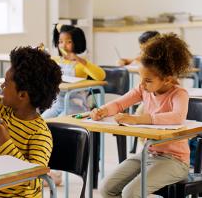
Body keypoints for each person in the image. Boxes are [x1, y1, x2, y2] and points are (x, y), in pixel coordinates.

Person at [0, 24, 62, 198]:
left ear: (22, 95)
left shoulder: (40, 134)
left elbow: (33, 179)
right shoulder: (3, 108)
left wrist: (6, 142)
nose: (1, 86)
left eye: (6, 83)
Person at [90, 33, 192, 198]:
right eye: (141, 79)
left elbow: (177, 117)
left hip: (175, 161)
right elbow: (119, 104)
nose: (142, 84)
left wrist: (137, 119)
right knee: (106, 189)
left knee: (131, 193)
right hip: (149, 154)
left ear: (167, 79)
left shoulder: (179, 94)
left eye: (148, 80)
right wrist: (103, 110)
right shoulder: (143, 89)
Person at [41, 24, 106, 119]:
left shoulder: (80, 64)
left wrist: (80, 60)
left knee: (59, 122)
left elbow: (101, 76)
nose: (63, 45)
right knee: (42, 120)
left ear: (76, 43)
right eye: (60, 42)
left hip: (77, 107)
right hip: (58, 105)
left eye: (69, 42)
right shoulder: (56, 61)